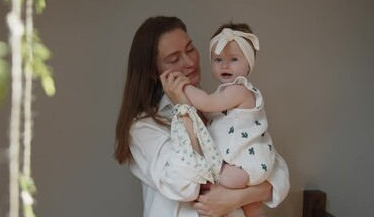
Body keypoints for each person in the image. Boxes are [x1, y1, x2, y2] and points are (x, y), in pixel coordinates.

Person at [114, 16, 289, 217]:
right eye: (174, 59)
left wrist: (236, 198)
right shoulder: (144, 127)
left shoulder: (219, 106)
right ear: (154, 72)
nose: (189, 62)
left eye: (190, 49)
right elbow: (185, 185)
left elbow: (277, 171)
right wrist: (184, 108)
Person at [182, 23, 279, 217]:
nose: (224, 65)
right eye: (218, 59)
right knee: (252, 207)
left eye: (233, 59)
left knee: (222, 178)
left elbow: (207, 104)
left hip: (244, 163)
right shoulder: (226, 92)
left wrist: (184, 88)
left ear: (249, 64)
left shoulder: (239, 89)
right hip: (246, 161)